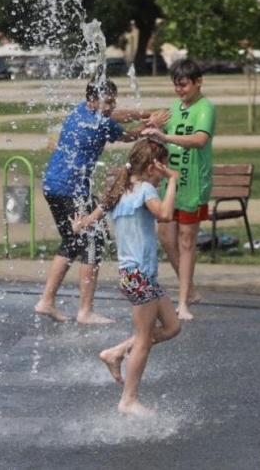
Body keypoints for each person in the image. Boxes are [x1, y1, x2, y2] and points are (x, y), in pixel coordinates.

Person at [35, 78, 170, 324]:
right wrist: (152, 124)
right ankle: (84, 311)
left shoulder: (82, 110)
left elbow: (117, 115)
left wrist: (146, 113)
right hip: (71, 188)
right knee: (92, 242)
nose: (111, 106)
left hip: (54, 184)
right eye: (107, 102)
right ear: (93, 100)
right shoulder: (99, 126)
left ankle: (46, 301)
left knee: (73, 242)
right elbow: (131, 136)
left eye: (113, 101)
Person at [72, 139, 181, 416]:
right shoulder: (144, 189)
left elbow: (88, 222)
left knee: (171, 327)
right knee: (144, 339)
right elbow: (166, 215)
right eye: (163, 167)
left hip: (139, 277)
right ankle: (128, 400)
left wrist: (78, 224)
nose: (164, 172)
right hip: (138, 276)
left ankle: (117, 352)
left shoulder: (119, 191)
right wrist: (173, 181)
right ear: (153, 167)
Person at [142, 59, 215, 321]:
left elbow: (199, 139)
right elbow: (160, 135)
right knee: (166, 238)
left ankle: (183, 302)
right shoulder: (174, 107)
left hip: (194, 184)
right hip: (171, 183)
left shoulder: (205, 107)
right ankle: (191, 289)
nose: (180, 90)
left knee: (186, 241)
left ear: (198, 82)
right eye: (176, 85)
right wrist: (154, 127)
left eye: (183, 85)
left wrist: (166, 137)